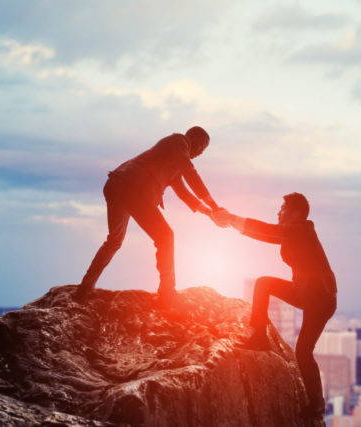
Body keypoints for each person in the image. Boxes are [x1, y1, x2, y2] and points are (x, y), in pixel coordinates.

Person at [215, 193, 337, 417]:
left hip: (320, 299)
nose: (278, 213)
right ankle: (259, 337)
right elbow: (267, 233)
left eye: (283, 209)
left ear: (297, 213)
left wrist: (232, 219)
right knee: (264, 284)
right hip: (307, 293)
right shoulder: (295, 232)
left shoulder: (300, 229)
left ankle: (317, 406)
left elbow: (269, 231)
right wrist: (232, 222)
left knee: (303, 352)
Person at [76, 126, 223, 303]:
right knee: (165, 236)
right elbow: (190, 172)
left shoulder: (175, 163)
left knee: (114, 241)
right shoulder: (178, 141)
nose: (200, 154)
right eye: (202, 147)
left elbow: (184, 194)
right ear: (194, 140)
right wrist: (215, 206)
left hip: (117, 185)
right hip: (132, 187)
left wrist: (210, 213)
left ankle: (83, 289)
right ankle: (167, 294)